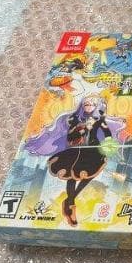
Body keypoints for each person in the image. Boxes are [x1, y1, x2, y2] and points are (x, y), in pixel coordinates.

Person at [25, 94, 124, 226]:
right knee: (71, 176)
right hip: (75, 151)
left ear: (96, 106)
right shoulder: (74, 119)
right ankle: (71, 204)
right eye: (86, 104)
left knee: (88, 175)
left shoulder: (99, 120)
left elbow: (107, 134)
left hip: (92, 151)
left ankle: (70, 200)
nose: (89, 106)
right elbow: (70, 136)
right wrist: (82, 130)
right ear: (82, 106)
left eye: (92, 104)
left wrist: (108, 144)